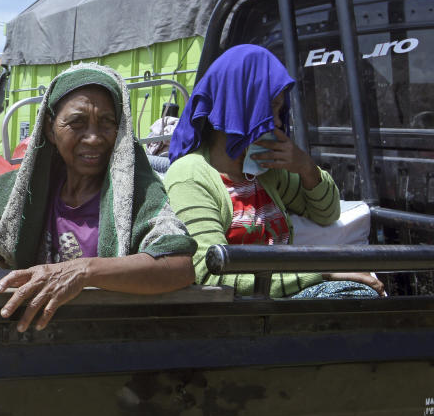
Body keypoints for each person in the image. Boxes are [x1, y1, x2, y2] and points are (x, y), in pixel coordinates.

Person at [0, 62, 197, 332]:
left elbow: (179, 265)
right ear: (50, 129)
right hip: (42, 324)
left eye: (107, 123)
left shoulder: (136, 191)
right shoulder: (39, 185)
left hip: (100, 328)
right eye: (77, 123)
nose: (93, 138)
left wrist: (83, 272)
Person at [163, 44, 384, 298]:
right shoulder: (190, 175)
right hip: (240, 309)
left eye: (280, 111)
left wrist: (305, 167)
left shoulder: (264, 171)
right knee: (353, 295)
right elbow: (209, 272)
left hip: (275, 299)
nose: (278, 122)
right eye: (271, 108)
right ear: (240, 105)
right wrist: (323, 272)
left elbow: (327, 214)